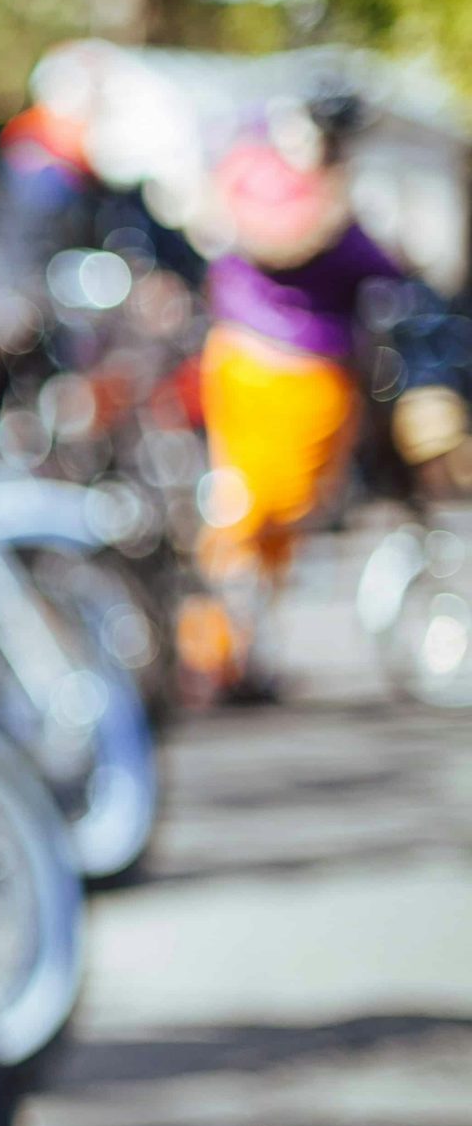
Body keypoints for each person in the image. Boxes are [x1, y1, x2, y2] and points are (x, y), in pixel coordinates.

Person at [188, 96, 405, 698]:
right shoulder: (275, 184)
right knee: (249, 515)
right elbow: (283, 242)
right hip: (272, 369)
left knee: (267, 523)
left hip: (291, 373)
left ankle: (240, 648)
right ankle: (217, 650)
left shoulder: (294, 187)